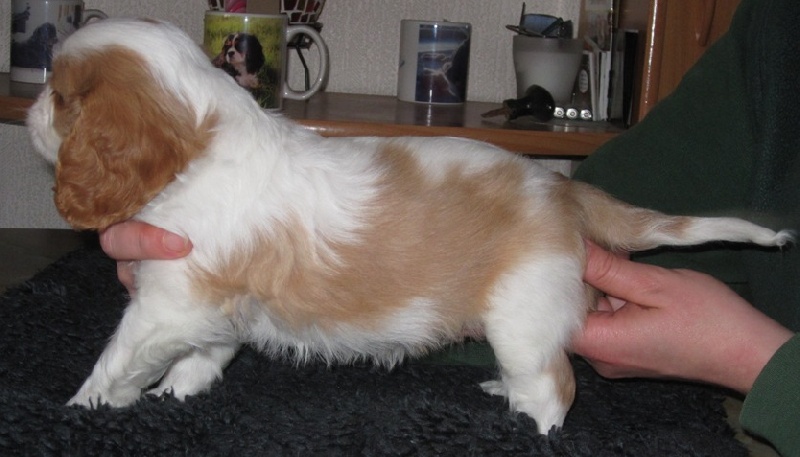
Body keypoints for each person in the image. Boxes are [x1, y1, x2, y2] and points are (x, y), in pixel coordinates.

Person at [98, 0, 799, 454]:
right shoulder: (771, 39)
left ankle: (542, 401)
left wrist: (759, 366)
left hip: (525, 242)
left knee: (527, 346)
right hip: (498, 217)